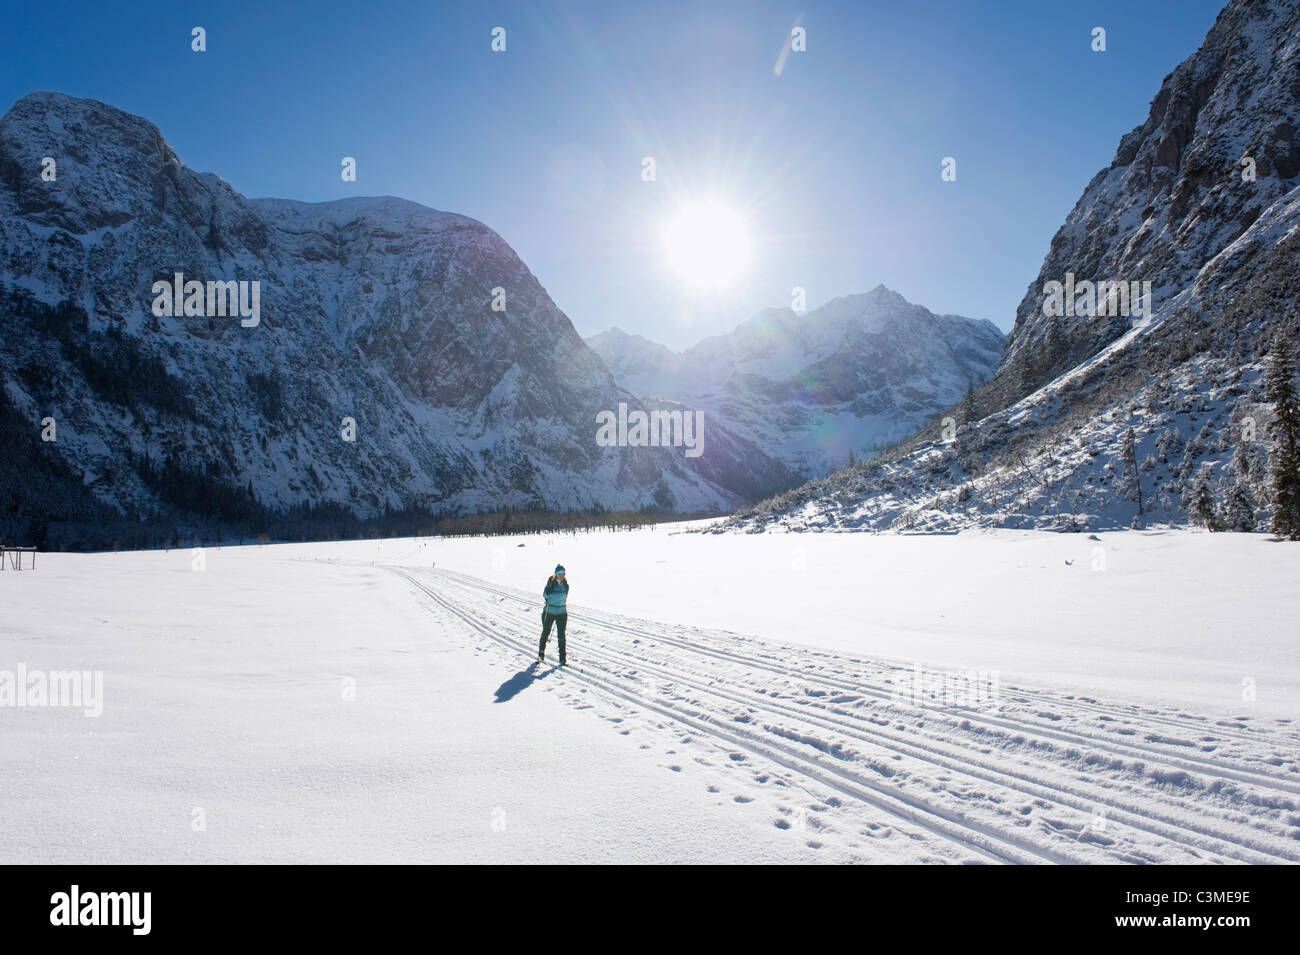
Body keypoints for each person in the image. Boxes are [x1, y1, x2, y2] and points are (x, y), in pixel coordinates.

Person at [539, 564, 569, 666]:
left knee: (561, 635)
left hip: (562, 612)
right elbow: (545, 595)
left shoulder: (566, 585)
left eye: (563, 573)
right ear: (556, 574)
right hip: (550, 612)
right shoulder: (551, 583)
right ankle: (541, 655)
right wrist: (548, 591)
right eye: (560, 573)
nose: (562, 575)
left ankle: (562, 659)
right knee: (545, 633)